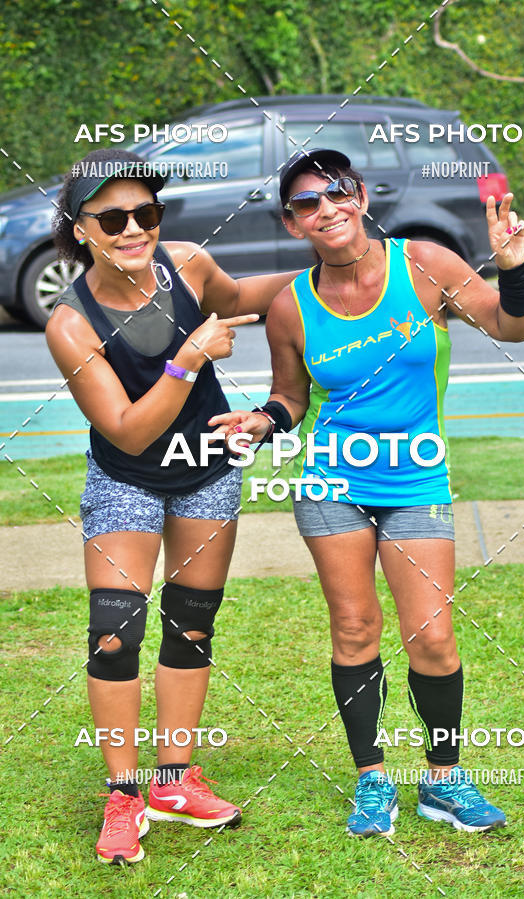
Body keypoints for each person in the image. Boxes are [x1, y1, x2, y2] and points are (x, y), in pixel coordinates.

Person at [210, 147, 524, 838]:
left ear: (359, 196)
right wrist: (263, 420)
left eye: (336, 192)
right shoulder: (290, 306)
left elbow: (511, 326)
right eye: (306, 203)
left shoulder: (425, 264)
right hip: (333, 482)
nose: (325, 208)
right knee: (355, 628)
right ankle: (371, 778)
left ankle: (443, 779)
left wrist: (513, 268)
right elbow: (290, 396)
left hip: (416, 477)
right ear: (292, 222)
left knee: (433, 637)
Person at [46, 148, 299, 864]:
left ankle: (174, 780)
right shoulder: (71, 323)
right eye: (113, 219)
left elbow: (245, 295)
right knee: (114, 630)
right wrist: (188, 358)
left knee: (190, 625)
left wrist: (333, 261)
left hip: (204, 470)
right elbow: (128, 428)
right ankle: (124, 794)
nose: (134, 228)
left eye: (146, 213)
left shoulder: (187, 265)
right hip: (125, 475)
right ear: (80, 229)